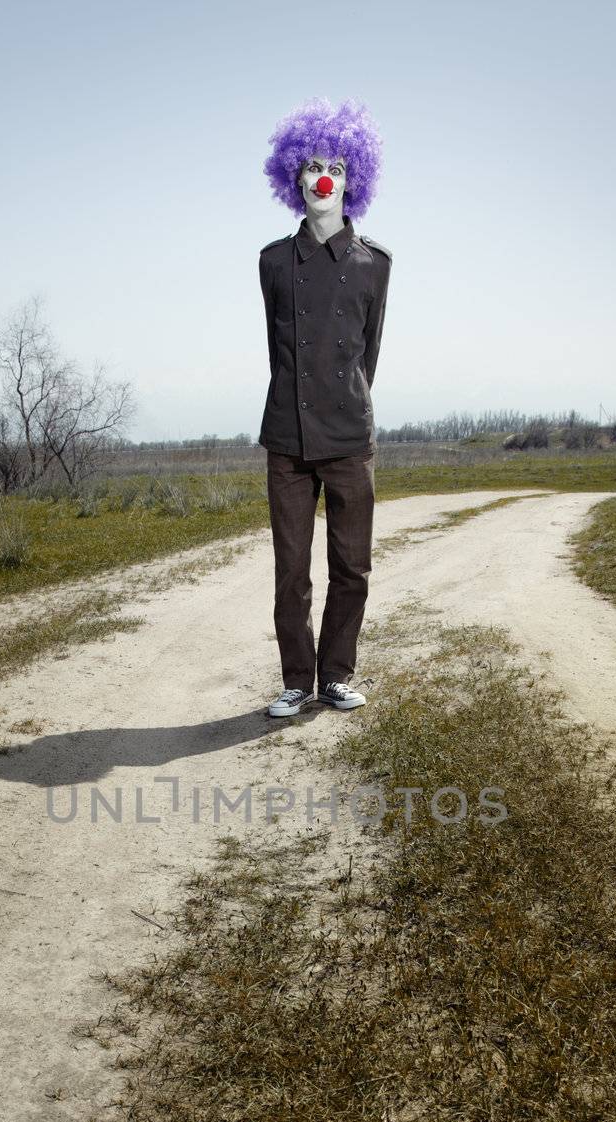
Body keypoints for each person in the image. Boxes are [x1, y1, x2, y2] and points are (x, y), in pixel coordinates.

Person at [258, 97, 392, 717]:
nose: (322, 177)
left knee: (351, 566)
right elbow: (276, 349)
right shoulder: (272, 262)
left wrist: (345, 401)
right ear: (295, 176)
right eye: (311, 165)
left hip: (349, 436)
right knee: (292, 570)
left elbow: (369, 352)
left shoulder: (375, 265)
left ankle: (336, 675)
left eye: (335, 165)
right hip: (287, 436)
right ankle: (295, 679)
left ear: (350, 179)